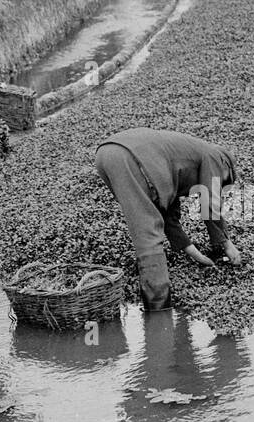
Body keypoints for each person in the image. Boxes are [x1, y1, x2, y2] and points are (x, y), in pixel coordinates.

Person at [95, 128, 242, 311]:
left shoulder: (173, 171)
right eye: (224, 181)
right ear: (226, 166)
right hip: (133, 156)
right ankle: (158, 309)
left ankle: (156, 314)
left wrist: (194, 252)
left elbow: (166, 212)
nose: (221, 185)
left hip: (105, 154)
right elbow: (210, 201)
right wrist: (225, 243)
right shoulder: (215, 156)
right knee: (147, 232)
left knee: (145, 214)